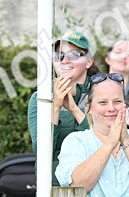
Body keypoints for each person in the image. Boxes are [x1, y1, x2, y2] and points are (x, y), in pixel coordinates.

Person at [27, 31, 96, 184]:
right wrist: (55, 108)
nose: (64, 60)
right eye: (58, 55)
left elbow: (102, 145)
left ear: (89, 61)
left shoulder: (101, 94)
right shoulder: (40, 98)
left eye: (73, 55)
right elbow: (42, 152)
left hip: (95, 186)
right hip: (52, 187)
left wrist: (73, 108)